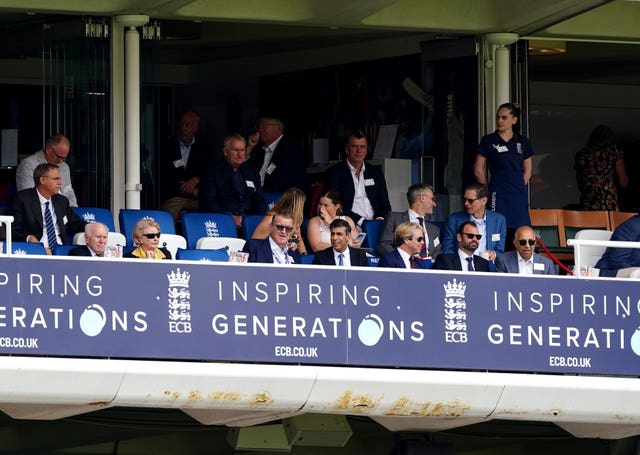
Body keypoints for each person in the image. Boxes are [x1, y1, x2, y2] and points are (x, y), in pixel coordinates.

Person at [474, 102, 533, 247]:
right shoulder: (488, 140)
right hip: (497, 191)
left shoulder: (523, 141)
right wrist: (488, 189)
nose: (499, 121)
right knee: (497, 228)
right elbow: (478, 169)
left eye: (504, 118)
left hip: (518, 193)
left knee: (520, 230)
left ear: (514, 120)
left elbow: (528, 171)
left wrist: (518, 184)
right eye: (498, 117)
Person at [199, 133, 268, 230]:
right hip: (222, 222)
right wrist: (229, 217)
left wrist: (253, 221)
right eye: (235, 150)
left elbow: (260, 202)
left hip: (249, 224)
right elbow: (208, 203)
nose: (239, 155)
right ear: (225, 151)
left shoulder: (251, 172)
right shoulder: (213, 171)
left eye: (242, 150)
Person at [9, 163, 85, 249]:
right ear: (43, 180)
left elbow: (76, 223)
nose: (60, 183)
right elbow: (12, 230)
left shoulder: (62, 201)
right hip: (36, 249)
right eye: (56, 179)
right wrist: (28, 238)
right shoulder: (22, 199)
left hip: (60, 250)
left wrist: (93, 227)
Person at [325, 129, 391, 227]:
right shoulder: (335, 173)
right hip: (349, 224)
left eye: (362, 147)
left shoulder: (375, 172)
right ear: (347, 149)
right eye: (355, 146)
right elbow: (335, 206)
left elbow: (385, 203)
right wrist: (361, 221)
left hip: (376, 223)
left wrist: (380, 219)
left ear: (366, 150)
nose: (359, 150)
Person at [160, 109, 209, 224]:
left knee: (209, 215)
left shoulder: (203, 147)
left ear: (195, 128)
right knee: (166, 221)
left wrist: (196, 179)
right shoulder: (168, 145)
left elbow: (209, 171)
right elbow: (163, 175)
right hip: (174, 196)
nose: (183, 128)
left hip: (198, 196)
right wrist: (188, 190)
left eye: (188, 125)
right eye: (181, 124)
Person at [441, 183, 506, 261]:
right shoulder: (453, 220)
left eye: (470, 200)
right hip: (461, 266)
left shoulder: (499, 220)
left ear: (484, 201)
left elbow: (500, 250)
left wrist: (494, 254)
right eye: (464, 199)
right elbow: (447, 249)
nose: (466, 203)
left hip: (487, 266)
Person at [245, 116, 308, 193]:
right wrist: (249, 147)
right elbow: (244, 172)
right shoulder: (259, 150)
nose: (260, 130)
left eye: (264, 126)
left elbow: (282, 183)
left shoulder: (289, 150)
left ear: (278, 127)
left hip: (280, 199)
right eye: (259, 127)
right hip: (257, 196)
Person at [378, 183, 441, 259]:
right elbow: (384, 246)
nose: (434, 204)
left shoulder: (434, 229)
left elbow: (438, 254)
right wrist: (407, 258)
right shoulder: (394, 218)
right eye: (432, 199)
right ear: (422, 198)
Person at [574, 125, 629, 211]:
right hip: (608, 201)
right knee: (610, 223)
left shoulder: (582, 154)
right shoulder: (613, 150)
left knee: (591, 223)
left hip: (589, 201)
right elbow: (624, 182)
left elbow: (580, 184)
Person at [15, 133, 78, 207]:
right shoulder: (28, 165)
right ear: (48, 149)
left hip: (66, 213)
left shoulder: (64, 167)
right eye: (59, 157)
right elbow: (28, 198)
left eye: (64, 158)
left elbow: (69, 192)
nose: (61, 161)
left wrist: (74, 209)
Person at [251, 187, 308, 254]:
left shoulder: (295, 221)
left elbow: (299, 240)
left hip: (288, 259)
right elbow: (254, 244)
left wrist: (304, 255)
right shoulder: (271, 219)